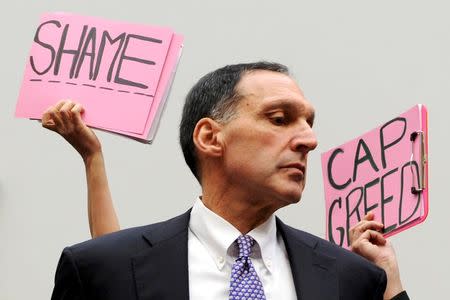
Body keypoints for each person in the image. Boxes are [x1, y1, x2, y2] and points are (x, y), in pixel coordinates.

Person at [47, 62, 409, 300]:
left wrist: (388, 279)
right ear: (209, 137)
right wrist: (93, 159)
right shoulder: (101, 270)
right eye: (280, 119)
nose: (309, 141)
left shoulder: (351, 280)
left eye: (309, 124)